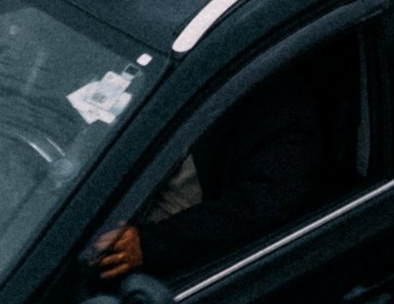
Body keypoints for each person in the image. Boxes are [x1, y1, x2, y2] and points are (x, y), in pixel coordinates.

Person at [91, 62, 326, 284]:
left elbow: (261, 206)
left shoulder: (281, 105)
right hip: (105, 208)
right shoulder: (178, 61)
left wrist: (151, 245)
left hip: (175, 267)